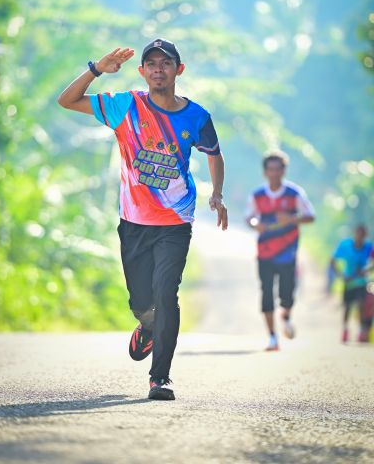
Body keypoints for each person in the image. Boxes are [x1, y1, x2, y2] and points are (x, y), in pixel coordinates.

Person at [58, 38, 228, 400]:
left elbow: (214, 153)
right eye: (151, 64)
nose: (158, 70)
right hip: (134, 222)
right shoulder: (126, 106)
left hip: (175, 222)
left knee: (166, 294)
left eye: (165, 63)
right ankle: (147, 325)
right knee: (141, 302)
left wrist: (217, 193)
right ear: (142, 71)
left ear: (179, 70)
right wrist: (96, 69)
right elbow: (67, 100)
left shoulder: (197, 116)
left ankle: (160, 377)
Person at [245, 151, 315, 351]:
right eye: (271, 169)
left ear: (283, 171)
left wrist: (292, 219)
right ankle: (272, 338)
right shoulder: (257, 195)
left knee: (287, 294)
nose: (274, 173)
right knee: (266, 293)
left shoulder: (294, 193)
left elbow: (310, 216)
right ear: (265, 172)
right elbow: (249, 217)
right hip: (264, 252)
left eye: (278, 169)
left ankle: (286, 315)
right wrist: (255, 224)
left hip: (287, 253)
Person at [329, 224, 372, 343]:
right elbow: (332, 261)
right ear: (355, 234)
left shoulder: (369, 247)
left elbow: (372, 263)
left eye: (362, 236)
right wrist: (341, 275)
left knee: (361, 305)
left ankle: (362, 332)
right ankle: (345, 330)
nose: (360, 238)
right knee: (347, 307)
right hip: (349, 283)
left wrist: (366, 269)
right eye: (358, 234)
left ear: (365, 236)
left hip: (362, 282)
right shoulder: (345, 245)